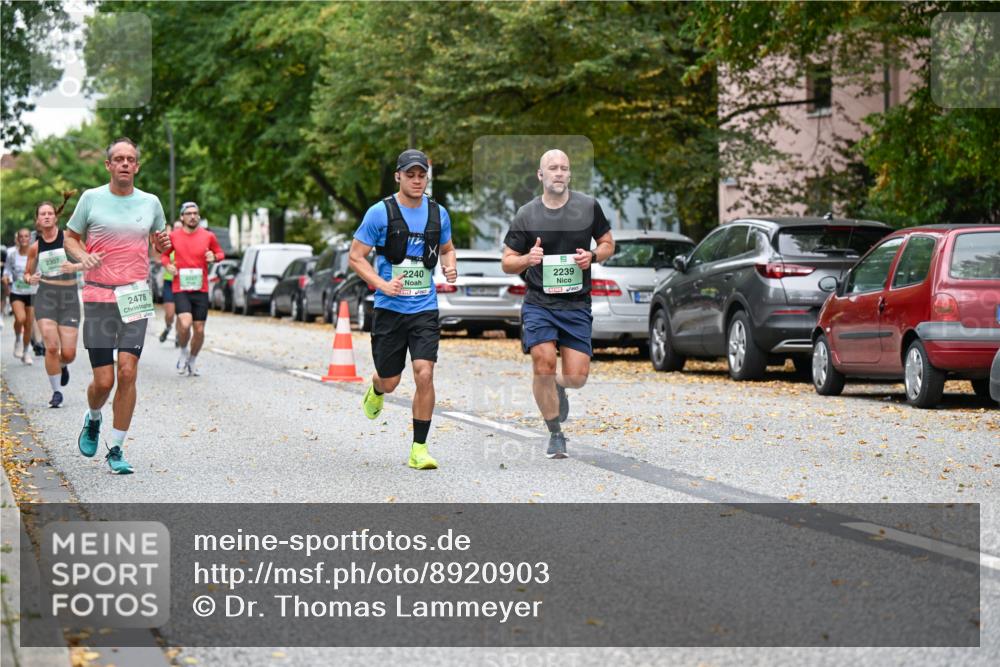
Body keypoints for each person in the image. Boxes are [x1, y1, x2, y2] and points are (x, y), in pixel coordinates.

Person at [63, 137, 171, 475]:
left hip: (135, 297)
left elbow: (159, 247)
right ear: (109, 165)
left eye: (131, 159)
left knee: (127, 372)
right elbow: (70, 238)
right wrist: (82, 255)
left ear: (137, 166)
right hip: (98, 297)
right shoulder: (91, 199)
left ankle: (117, 448)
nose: (125, 163)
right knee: (104, 381)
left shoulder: (151, 203)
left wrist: (163, 245)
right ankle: (93, 417)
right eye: (118, 159)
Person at [501, 149, 614, 459]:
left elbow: (607, 244)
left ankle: (560, 387)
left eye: (564, 168)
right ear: (541, 175)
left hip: (576, 304)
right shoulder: (527, 214)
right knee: (543, 362)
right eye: (553, 168)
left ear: (569, 174)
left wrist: (593, 256)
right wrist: (527, 258)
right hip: (539, 303)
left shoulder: (588, 207)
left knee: (577, 377)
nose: (560, 173)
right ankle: (555, 433)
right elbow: (507, 262)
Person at [348, 149, 458, 470]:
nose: (416, 180)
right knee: (391, 380)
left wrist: (450, 267)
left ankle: (419, 449)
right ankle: (377, 387)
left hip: (424, 308)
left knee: (425, 373)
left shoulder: (439, 214)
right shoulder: (379, 213)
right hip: (389, 309)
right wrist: (381, 285)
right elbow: (356, 256)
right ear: (398, 176)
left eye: (421, 175)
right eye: (410, 174)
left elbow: (448, 249)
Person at [25, 193, 81, 408]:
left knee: (68, 353)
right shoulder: (35, 247)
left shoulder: (69, 239)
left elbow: (88, 259)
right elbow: (27, 274)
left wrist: (74, 266)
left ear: (55, 218)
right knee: (51, 347)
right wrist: (32, 278)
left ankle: (63, 365)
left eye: (50, 213)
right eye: (43, 214)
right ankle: (56, 392)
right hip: (46, 296)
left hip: (69, 298)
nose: (47, 217)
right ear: (38, 221)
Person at [161, 202, 223, 376]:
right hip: (180, 287)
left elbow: (220, 253)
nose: (193, 216)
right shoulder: (173, 236)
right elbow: (164, 256)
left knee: (200, 329)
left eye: (195, 213)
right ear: (182, 217)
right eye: (188, 213)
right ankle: (183, 351)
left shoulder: (208, 236)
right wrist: (168, 266)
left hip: (201, 289)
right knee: (185, 323)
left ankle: (193, 360)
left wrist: (214, 257)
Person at [2, 228, 38, 365]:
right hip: (17, 292)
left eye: (26, 236)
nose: (23, 239)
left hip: (32, 293)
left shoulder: (35, 255)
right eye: (21, 236)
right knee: (20, 318)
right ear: (18, 238)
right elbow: (7, 270)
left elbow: (41, 271)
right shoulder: (12, 255)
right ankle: (18, 339)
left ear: (30, 238)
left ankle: (26, 352)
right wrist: (6, 277)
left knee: (29, 324)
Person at [158, 220, 183, 344]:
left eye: (180, 228)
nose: (178, 230)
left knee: (181, 312)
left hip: (182, 283)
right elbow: (161, 256)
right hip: (169, 282)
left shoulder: (186, 243)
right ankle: (168, 327)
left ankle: (179, 334)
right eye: (176, 228)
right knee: (170, 313)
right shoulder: (169, 243)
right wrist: (168, 265)